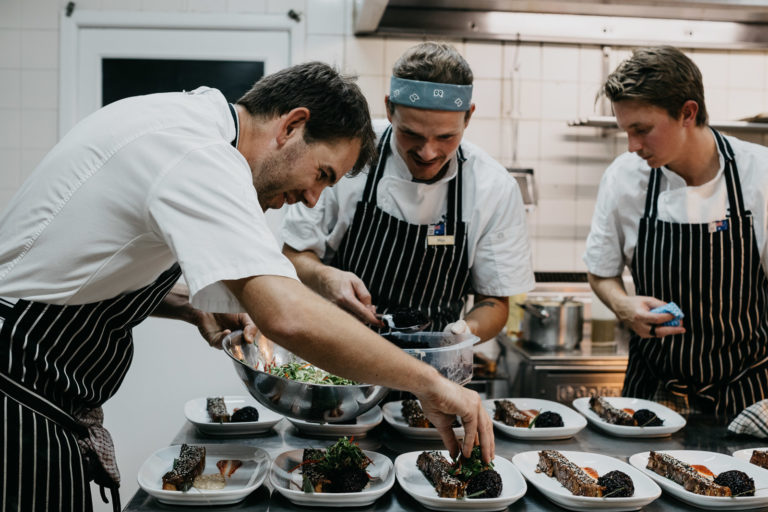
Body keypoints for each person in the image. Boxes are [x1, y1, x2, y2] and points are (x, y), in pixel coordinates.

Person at [0, 62, 494, 512]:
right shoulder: (200, 154)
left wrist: (189, 308)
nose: (309, 197)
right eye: (321, 174)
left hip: (35, 388)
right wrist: (431, 382)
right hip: (17, 394)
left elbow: (84, 274)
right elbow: (288, 317)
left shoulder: (187, 122)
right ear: (292, 125)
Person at [281, 42, 534, 343]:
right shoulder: (349, 155)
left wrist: (464, 333)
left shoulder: (493, 188)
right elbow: (295, 254)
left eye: (446, 137)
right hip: (339, 356)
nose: (427, 152)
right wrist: (326, 278)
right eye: (411, 133)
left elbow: (493, 302)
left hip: (433, 367)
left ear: (468, 117)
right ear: (389, 108)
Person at [584, 46, 768, 418]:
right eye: (626, 131)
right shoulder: (624, 176)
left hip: (749, 393)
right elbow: (601, 272)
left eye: (643, 130)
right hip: (651, 391)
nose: (632, 146)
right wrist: (623, 306)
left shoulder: (759, 175)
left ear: (688, 112)